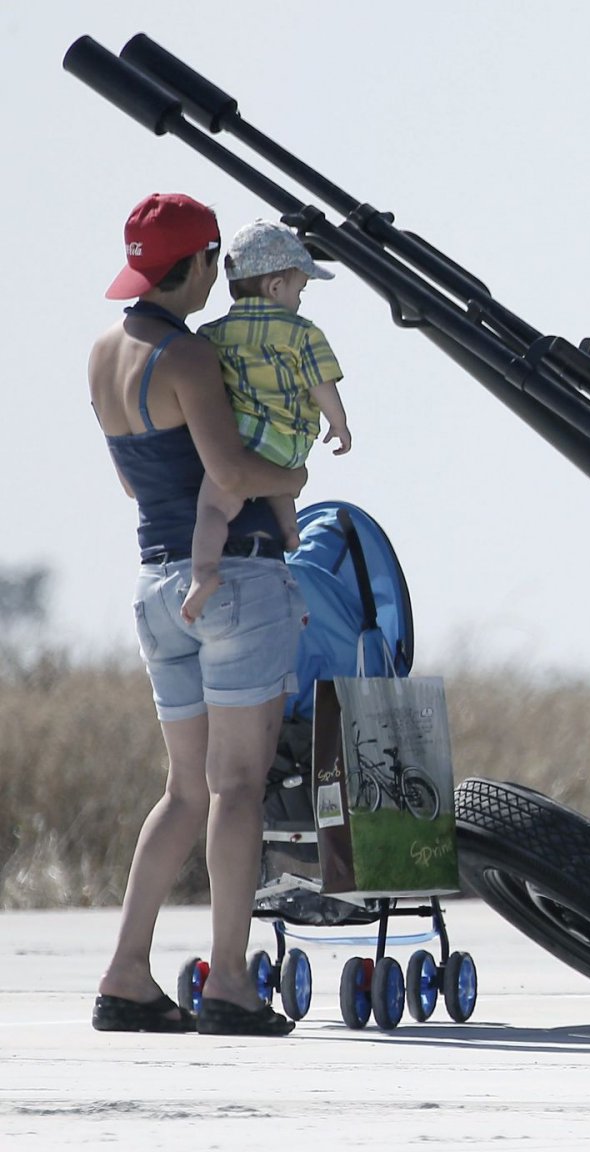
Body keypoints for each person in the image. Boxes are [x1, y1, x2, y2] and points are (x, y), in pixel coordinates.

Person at [89, 193, 309, 1036]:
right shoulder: (188, 356)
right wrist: (293, 479)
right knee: (238, 788)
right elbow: (235, 471)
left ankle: (126, 974)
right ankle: (230, 985)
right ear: (205, 263)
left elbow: (134, 483)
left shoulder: (104, 354)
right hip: (235, 582)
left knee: (183, 790)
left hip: (155, 582)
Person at [182, 220, 348, 622]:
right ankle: (290, 532)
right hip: (290, 444)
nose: (300, 301)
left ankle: (203, 574)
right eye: (299, 291)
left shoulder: (213, 333)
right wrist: (339, 424)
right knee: (281, 484)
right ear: (276, 287)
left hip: (246, 442)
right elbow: (320, 382)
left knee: (213, 509)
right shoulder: (303, 333)